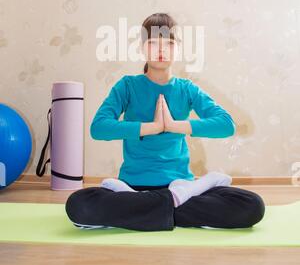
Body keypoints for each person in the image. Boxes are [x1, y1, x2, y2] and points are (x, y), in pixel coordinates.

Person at [65, 12, 265, 231]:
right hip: (133, 186)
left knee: (252, 205)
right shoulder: (128, 86)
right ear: (142, 48)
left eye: (169, 44)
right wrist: (151, 128)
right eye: (153, 43)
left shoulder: (187, 89)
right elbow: (99, 128)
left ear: (178, 48)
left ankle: (149, 209)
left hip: (179, 184)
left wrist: (173, 126)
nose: (161, 51)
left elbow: (226, 125)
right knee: (77, 205)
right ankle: (174, 203)